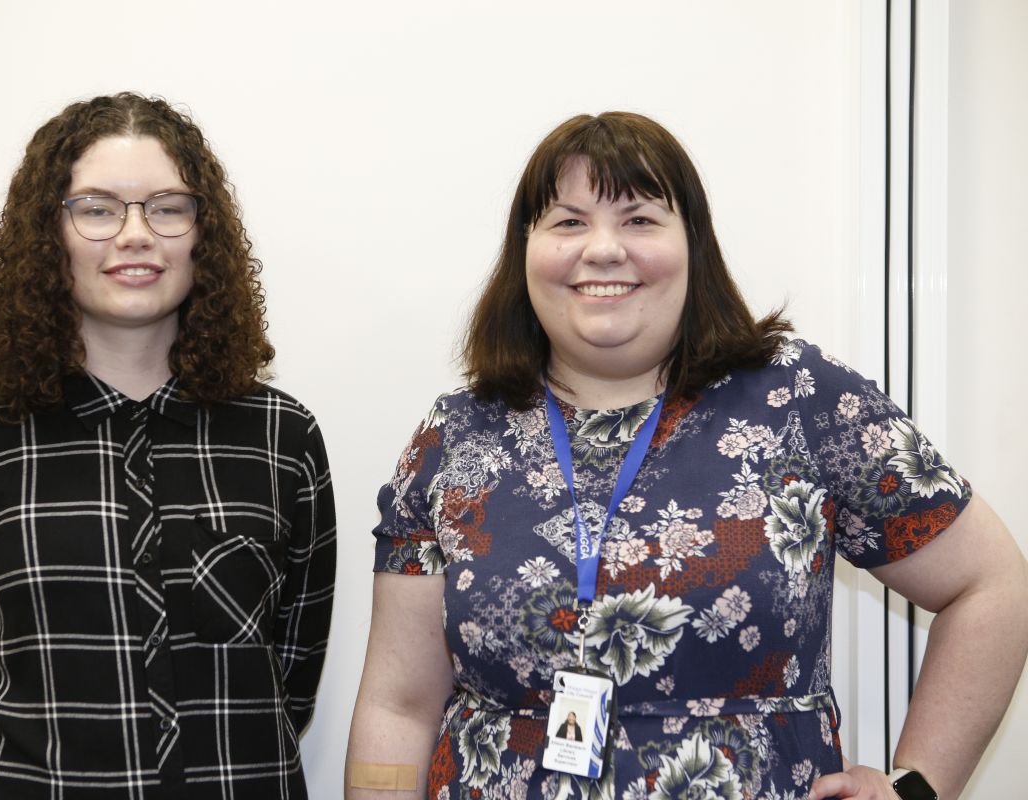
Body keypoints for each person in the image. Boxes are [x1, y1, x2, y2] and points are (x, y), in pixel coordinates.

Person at [346, 112, 1027, 799]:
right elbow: (397, 706)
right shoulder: (453, 438)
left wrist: (917, 786)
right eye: (568, 221)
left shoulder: (799, 400)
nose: (603, 249)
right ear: (525, 249)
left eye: (640, 219)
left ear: (692, 244)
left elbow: (991, 586)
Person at [0, 93, 336, 799]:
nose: (136, 234)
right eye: (98, 209)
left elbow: (292, 669)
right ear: (50, 235)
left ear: (203, 233)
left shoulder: (281, 437)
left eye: (167, 207)